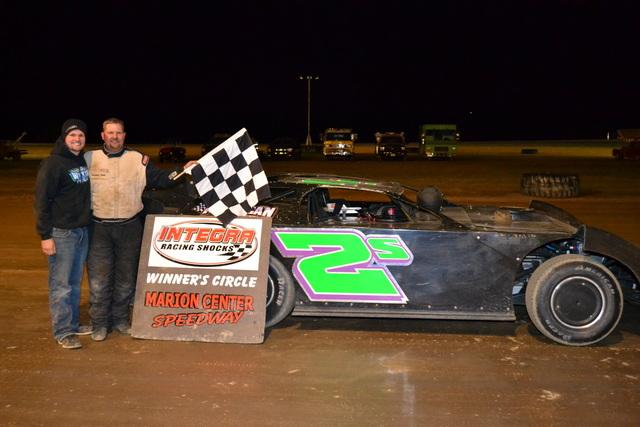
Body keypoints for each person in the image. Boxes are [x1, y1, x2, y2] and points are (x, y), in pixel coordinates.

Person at [85, 117, 194, 341]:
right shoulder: (89, 158)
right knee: (99, 281)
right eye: (110, 133)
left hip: (129, 228)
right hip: (98, 229)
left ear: (124, 136)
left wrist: (182, 170)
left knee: (126, 280)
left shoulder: (138, 159)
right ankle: (99, 324)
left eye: (118, 133)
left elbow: (161, 179)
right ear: (103, 135)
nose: (115, 137)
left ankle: (120, 320)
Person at [34, 119, 92, 349]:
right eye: (72, 135)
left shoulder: (81, 160)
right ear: (64, 138)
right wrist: (45, 236)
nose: (77, 139)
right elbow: (41, 201)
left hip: (81, 231)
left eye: (81, 135)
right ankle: (63, 331)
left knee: (75, 283)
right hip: (61, 234)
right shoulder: (53, 163)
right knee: (61, 285)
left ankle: (73, 324)